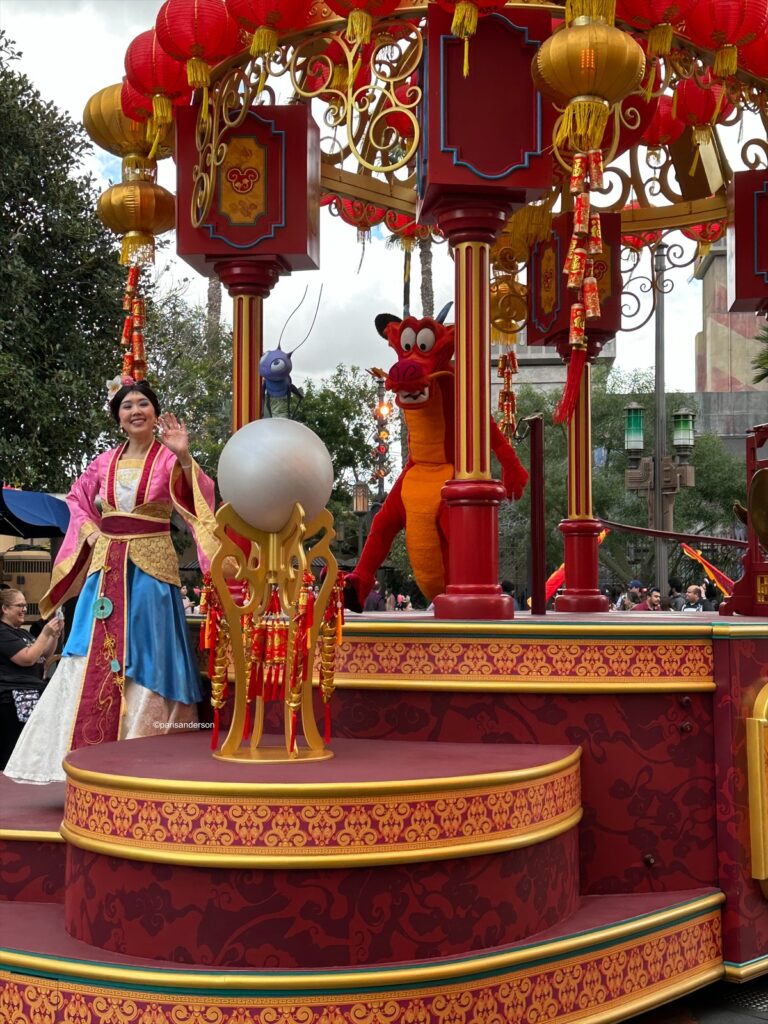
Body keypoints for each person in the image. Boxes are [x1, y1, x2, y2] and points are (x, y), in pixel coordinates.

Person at [5, 378, 217, 784]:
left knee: (150, 651)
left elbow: (203, 501)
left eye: (143, 404)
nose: (136, 410)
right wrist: (92, 532)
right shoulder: (102, 463)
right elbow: (77, 501)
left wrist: (187, 458)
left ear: (156, 414)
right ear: (118, 418)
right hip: (107, 570)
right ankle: (71, 759)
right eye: (127, 406)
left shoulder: (170, 459)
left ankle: (148, 759)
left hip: (151, 571)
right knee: (87, 649)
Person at [0, 591, 64, 769]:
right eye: (19, 605)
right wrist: (44, 633)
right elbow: (27, 658)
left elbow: (43, 654)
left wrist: (54, 635)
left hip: (31, 693)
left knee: (30, 745)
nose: (24, 609)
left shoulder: (22, 633)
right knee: (14, 748)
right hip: (13, 698)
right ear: (5, 608)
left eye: (25, 605)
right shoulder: (3, 633)